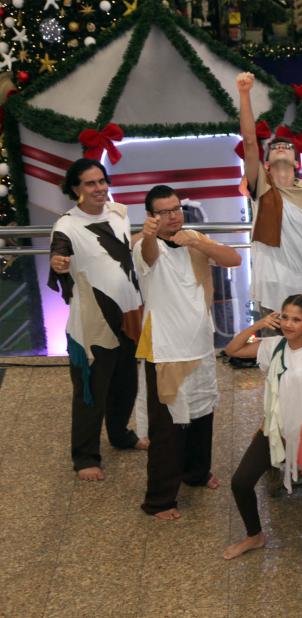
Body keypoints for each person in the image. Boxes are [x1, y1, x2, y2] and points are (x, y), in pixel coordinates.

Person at [134, 184, 242, 520]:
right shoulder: (142, 244)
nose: (172, 217)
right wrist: (150, 235)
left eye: (176, 209)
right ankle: (160, 501)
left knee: (202, 414)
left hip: (200, 344)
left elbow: (234, 259)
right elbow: (150, 254)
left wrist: (198, 241)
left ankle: (195, 474)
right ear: (151, 217)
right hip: (166, 349)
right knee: (167, 427)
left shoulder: (193, 237)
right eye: (163, 212)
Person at [222, 294, 302, 560]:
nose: (289, 324)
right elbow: (232, 350)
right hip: (275, 430)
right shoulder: (272, 346)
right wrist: (257, 326)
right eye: (285, 317)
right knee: (240, 482)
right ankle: (254, 535)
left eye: (296, 319)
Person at [49, 158, 147, 481]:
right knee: (91, 389)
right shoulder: (66, 225)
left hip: (128, 314)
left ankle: (120, 435)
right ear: (75, 188)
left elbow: (119, 254)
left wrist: (144, 238)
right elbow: (60, 254)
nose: (99, 188)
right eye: (90, 183)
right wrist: (60, 263)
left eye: (102, 181)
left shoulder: (119, 212)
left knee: (125, 384)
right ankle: (85, 456)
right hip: (93, 322)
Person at [236, 72, 302, 323]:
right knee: (273, 347)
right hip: (270, 281)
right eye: (274, 146)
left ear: (297, 163)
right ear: (265, 163)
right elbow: (248, 141)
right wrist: (244, 95)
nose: (280, 147)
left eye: (287, 146)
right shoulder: (262, 189)